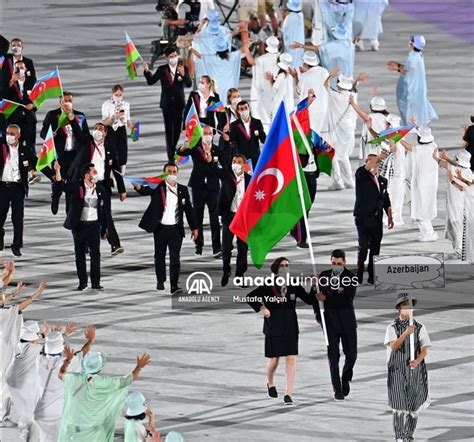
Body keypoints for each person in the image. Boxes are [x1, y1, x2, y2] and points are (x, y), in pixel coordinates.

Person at [247, 257, 317, 405]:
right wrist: (262, 308)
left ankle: (288, 393)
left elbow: (310, 300)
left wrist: (314, 286)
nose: (285, 268)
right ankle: (270, 382)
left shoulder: (293, 284)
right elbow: (250, 297)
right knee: (275, 359)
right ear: (276, 269)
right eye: (282, 265)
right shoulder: (268, 285)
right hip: (274, 326)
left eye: (287, 265)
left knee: (291, 358)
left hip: (291, 326)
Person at [58, 349, 151, 442]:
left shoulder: (73, 378)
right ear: (99, 368)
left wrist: (68, 360)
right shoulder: (104, 382)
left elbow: (61, 373)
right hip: (93, 435)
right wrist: (139, 366)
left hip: (72, 434)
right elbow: (129, 379)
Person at [135, 163, 198, 294]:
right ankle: (160, 280)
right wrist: (138, 186)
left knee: (175, 258)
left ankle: (174, 285)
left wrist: (195, 228)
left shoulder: (183, 190)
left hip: (176, 230)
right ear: (164, 173)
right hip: (160, 228)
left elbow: (189, 210)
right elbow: (144, 190)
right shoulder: (158, 187)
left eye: (174, 171)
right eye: (169, 171)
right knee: (160, 256)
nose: (172, 174)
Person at [68, 122, 126, 255]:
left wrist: (122, 189)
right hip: (86, 185)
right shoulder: (87, 143)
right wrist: (72, 119)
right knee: (87, 214)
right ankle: (89, 242)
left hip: (102, 184)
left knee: (107, 214)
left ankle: (115, 244)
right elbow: (78, 132)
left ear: (105, 133)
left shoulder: (110, 149)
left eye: (100, 129)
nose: (97, 131)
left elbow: (116, 170)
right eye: (95, 128)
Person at [0, 124, 55, 257]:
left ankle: (17, 245)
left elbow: (38, 163)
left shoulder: (25, 150)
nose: (9, 136)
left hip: (18, 188)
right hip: (2, 188)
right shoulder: (1, 148)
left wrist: (53, 175)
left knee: (18, 218)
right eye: (8, 133)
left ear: (18, 135)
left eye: (13, 134)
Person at [34, 325, 95, 442]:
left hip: (41, 412)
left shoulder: (39, 360)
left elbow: (45, 350)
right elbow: (83, 352)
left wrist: (58, 335)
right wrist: (91, 340)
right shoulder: (67, 362)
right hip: (57, 414)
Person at [384, 293, 431, 442]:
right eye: (405, 305)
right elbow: (394, 346)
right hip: (397, 369)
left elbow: (424, 348)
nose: (408, 308)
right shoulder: (391, 327)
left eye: (410, 305)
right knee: (399, 404)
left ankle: (409, 435)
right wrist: (406, 333)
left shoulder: (420, 327)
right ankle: (399, 435)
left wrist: (417, 360)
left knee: (413, 405)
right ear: (399, 308)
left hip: (414, 370)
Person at [313, 249, 358, 401]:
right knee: (333, 356)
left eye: (339, 263)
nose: (336, 266)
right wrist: (317, 314)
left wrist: (325, 297)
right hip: (329, 322)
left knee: (351, 355)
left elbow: (347, 299)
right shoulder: (323, 276)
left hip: (347, 322)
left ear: (344, 262)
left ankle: (345, 378)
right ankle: (337, 388)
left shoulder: (351, 278)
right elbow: (314, 297)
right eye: (333, 263)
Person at [0, 278, 45, 429]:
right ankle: (1, 417)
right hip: (3, 352)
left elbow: (4, 300)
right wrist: (35, 294)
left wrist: (16, 292)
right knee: (3, 385)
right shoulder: (4, 313)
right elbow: (19, 307)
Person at [40, 91, 89, 215]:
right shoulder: (52, 115)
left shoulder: (80, 116)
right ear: (60, 102)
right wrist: (50, 135)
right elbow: (42, 132)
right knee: (58, 181)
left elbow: (85, 136)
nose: (67, 103)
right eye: (65, 100)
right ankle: (55, 197)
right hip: (59, 155)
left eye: (70, 101)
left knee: (71, 184)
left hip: (74, 155)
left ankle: (69, 212)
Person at [176, 125, 221, 257]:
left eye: (209, 133)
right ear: (201, 134)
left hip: (213, 188)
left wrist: (210, 156)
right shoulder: (196, 148)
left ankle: (217, 247)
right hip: (197, 186)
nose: (207, 135)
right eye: (205, 132)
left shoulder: (217, 150)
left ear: (213, 134)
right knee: (197, 216)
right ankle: (199, 245)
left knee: (214, 218)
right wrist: (184, 146)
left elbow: (220, 164)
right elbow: (181, 153)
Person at [143, 47, 192, 162]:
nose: (174, 58)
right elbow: (151, 81)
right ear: (166, 58)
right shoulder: (162, 69)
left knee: (177, 130)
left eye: (175, 56)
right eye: (171, 57)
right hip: (167, 104)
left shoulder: (183, 68)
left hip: (179, 104)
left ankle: (173, 148)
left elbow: (189, 84)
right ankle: (171, 156)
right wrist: (146, 71)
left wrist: (184, 75)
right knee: (169, 129)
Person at [64, 163, 106, 291]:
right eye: (94, 172)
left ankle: (95, 282)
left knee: (96, 255)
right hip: (79, 226)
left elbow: (104, 211)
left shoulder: (100, 189)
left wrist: (105, 228)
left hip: (94, 226)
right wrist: (58, 171)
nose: (96, 174)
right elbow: (63, 187)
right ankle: (82, 282)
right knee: (80, 255)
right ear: (87, 175)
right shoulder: (77, 186)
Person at [354, 151, 394, 284]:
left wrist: (390, 216)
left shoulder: (383, 181)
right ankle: (358, 276)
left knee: (375, 251)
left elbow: (386, 200)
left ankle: (372, 277)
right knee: (364, 249)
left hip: (377, 221)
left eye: (376, 162)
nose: (374, 164)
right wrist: (377, 157)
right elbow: (367, 167)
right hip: (363, 219)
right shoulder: (361, 175)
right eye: (370, 161)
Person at [5, 319, 45, 440]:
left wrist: (43, 335)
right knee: (32, 415)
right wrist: (59, 335)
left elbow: (34, 339)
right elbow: (51, 348)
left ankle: (25, 435)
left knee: (23, 413)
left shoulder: (19, 343)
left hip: (13, 380)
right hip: (25, 383)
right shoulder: (34, 349)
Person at [216, 154, 251, 287]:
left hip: (243, 218)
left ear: (244, 165)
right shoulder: (226, 176)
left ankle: (240, 275)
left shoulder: (250, 180)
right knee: (226, 247)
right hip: (229, 216)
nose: (235, 164)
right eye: (234, 161)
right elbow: (214, 171)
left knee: (243, 248)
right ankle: (226, 270)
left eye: (239, 162)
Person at [324, 71, 364, 190]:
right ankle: (349, 180)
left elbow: (325, 85)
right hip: (348, 130)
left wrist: (330, 75)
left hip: (336, 129)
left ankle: (338, 181)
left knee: (333, 155)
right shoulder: (352, 96)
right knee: (344, 155)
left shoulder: (336, 96)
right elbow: (354, 89)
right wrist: (356, 80)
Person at [388, 35, 438, 126]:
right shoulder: (418, 55)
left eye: (411, 41)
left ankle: (411, 125)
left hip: (411, 87)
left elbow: (408, 71)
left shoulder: (413, 57)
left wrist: (397, 67)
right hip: (416, 86)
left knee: (407, 106)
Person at [400, 126, 439, 241]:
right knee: (425, 207)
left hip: (421, 183)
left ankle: (429, 233)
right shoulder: (434, 146)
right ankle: (428, 232)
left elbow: (408, 147)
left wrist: (398, 138)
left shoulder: (420, 149)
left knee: (420, 209)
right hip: (431, 183)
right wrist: (417, 127)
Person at [433, 148, 473, 258]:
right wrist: (444, 158)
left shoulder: (454, 168)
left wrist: (436, 157)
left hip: (456, 204)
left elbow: (462, 188)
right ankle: (460, 248)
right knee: (459, 226)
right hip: (464, 205)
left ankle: (460, 250)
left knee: (456, 224)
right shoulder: (469, 172)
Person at [2, 58, 38, 153]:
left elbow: (39, 98)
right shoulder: (9, 82)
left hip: (29, 118)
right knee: (14, 145)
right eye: (17, 68)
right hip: (14, 118)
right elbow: (2, 96)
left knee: (30, 144)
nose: (20, 70)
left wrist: (33, 105)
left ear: (25, 69)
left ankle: (31, 167)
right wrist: (11, 82)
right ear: (14, 69)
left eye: (21, 67)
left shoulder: (32, 82)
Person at [101, 85, 134, 174]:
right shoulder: (106, 104)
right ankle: (110, 176)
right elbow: (104, 122)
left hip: (121, 129)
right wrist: (114, 117)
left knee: (123, 152)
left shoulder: (126, 104)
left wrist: (132, 127)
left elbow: (128, 119)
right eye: (116, 94)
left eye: (120, 95)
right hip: (110, 129)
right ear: (112, 94)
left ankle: (122, 175)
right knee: (111, 153)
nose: (118, 97)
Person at [249, 36, 280, 130]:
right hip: (279, 92)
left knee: (265, 120)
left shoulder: (261, 60)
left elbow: (257, 81)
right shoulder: (282, 58)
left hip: (264, 93)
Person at [296, 51, 329, 134]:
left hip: (310, 111)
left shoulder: (304, 76)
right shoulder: (325, 72)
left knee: (309, 136)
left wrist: (296, 77)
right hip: (323, 109)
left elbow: (298, 91)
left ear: (306, 64)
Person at [229, 100, 266, 169]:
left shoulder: (257, 122)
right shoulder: (234, 125)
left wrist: (262, 134)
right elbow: (232, 142)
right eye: (241, 109)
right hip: (243, 159)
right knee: (246, 179)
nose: (244, 110)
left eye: (246, 108)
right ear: (238, 111)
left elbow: (263, 140)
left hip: (256, 157)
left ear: (249, 109)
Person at [266, 53, 297, 122]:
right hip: (289, 107)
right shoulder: (290, 76)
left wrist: (271, 81)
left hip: (280, 108)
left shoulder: (281, 76)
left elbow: (274, 91)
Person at [282, 0, 304, 69]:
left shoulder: (288, 18)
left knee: (291, 64)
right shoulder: (301, 15)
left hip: (291, 45)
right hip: (299, 45)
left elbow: (284, 32)